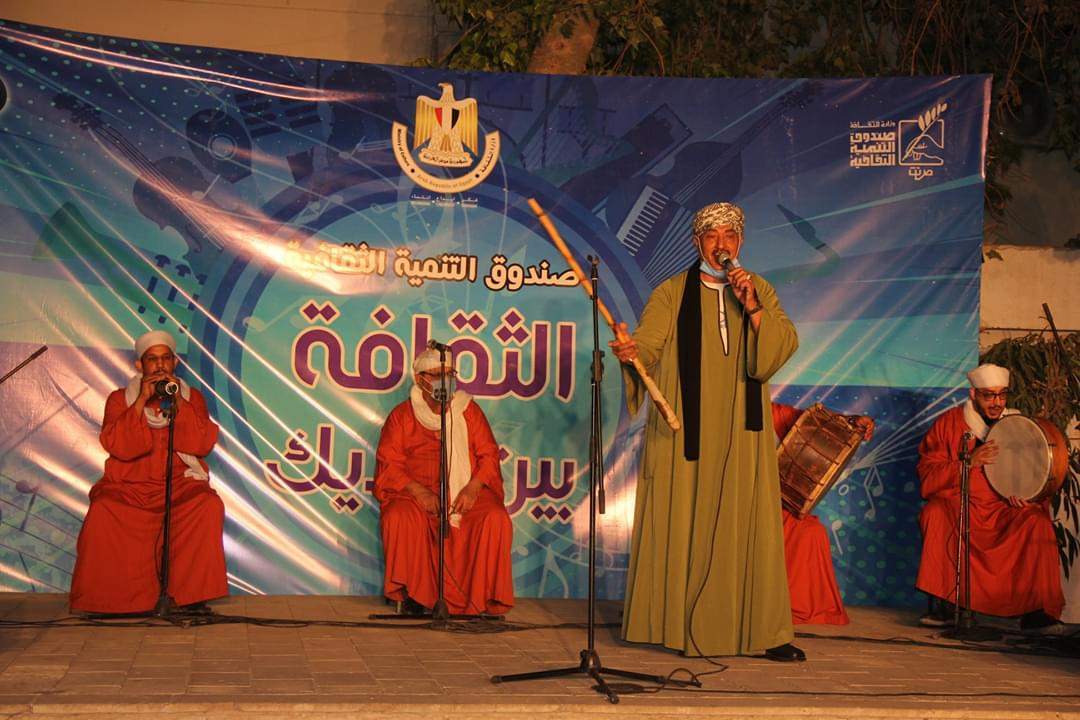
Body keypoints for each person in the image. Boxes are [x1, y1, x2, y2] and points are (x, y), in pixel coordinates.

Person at [610, 202, 803, 660]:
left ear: (741, 242)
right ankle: (678, 627)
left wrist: (751, 304)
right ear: (698, 243)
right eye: (712, 236)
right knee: (684, 520)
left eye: (729, 236)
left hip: (744, 433)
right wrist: (632, 352)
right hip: (686, 432)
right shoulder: (672, 292)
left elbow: (779, 347)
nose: (722, 244)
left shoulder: (759, 289)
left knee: (748, 522)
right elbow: (649, 348)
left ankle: (762, 633)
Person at [69, 330, 227, 614]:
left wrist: (179, 402)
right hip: (129, 487)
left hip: (179, 486)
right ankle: (112, 602)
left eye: (166, 358)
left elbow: (201, 443)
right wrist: (142, 399)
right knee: (104, 510)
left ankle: (188, 599)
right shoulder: (120, 399)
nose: (160, 365)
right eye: (152, 360)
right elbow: (119, 446)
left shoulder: (192, 398)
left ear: (175, 363)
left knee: (207, 505)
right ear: (139, 365)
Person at [916, 363, 1064, 630]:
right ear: (973, 394)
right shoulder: (949, 424)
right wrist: (968, 463)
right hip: (962, 504)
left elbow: (1038, 474)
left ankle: (1036, 609)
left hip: (1004, 509)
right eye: (989, 395)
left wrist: (1028, 496)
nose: (997, 402)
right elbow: (928, 475)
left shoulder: (1020, 427)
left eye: (1002, 395)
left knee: (1036, 521)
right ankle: (948, 604)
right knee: (935, 513)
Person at [374, 348, 514, 616]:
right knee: (399, 517)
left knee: (494, 518)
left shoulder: (467, 410)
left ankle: (482, 599)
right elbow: (389, 464)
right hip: (415, 494)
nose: (445, 380)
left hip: (464, 490)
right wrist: (420, 492)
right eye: (437, 374)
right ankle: (413, 596)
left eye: (449, 374)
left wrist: (472, 488)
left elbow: (488, 455)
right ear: (420, 379)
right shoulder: (402, 415)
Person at [772, 402, 874, 626]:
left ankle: (790, 607)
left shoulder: (766, 410)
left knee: (811, 532)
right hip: (731, 501)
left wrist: (852, 422)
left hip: (769, 502)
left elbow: (809, 422)